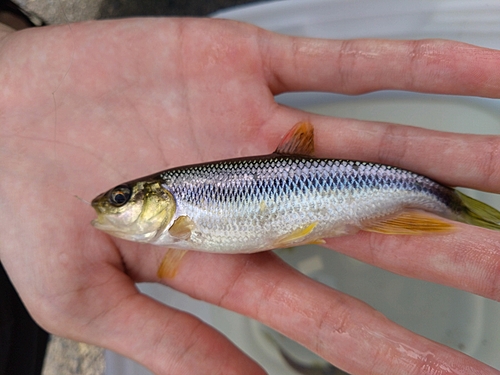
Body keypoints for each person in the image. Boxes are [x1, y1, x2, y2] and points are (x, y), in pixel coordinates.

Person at [1, 17, 500, 375]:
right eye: (118, 200)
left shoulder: (182, 223)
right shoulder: (176, 227)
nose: (110, 207)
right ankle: (463, 209)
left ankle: (465, 210)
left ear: (156, 198)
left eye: (121, 200)